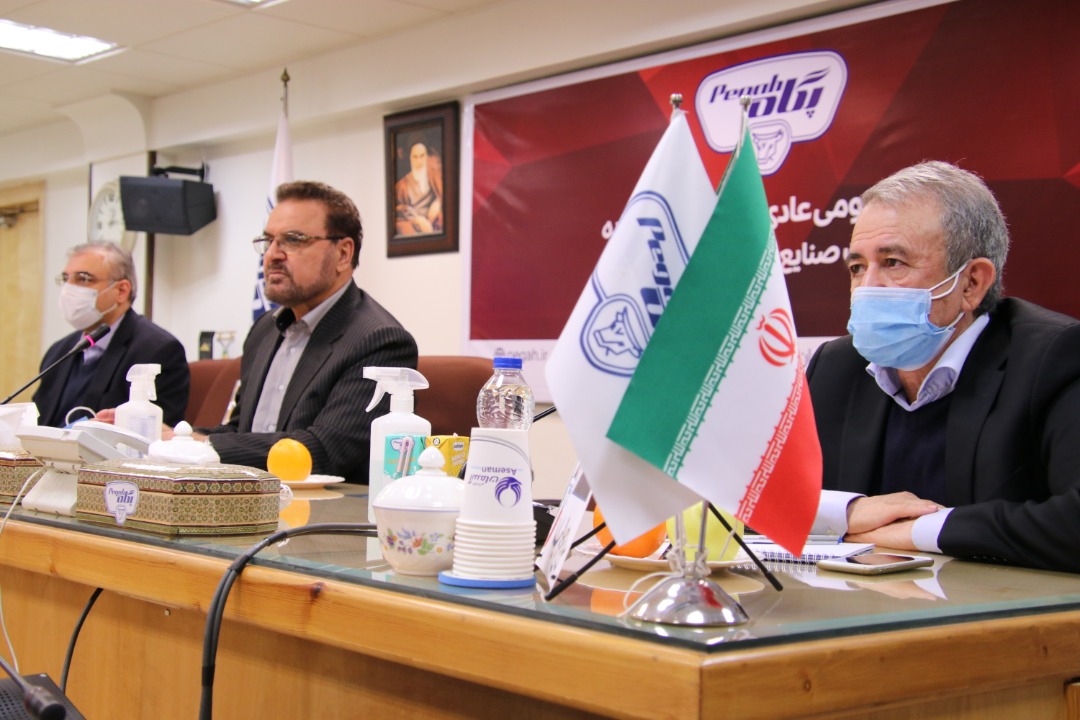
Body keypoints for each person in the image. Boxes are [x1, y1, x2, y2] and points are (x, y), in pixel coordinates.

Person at [806, 161, 1080, 573]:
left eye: (893, 262)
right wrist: (848, 513)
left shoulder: (1055, 358)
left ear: (972, 283)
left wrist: (919, 531)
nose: (867, 288)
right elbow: (753, 502)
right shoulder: (836, 367)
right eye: (857, 268)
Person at [180, 180, 415, 484]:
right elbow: (241, 432)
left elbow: (326, 449)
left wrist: (206, 446)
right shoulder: (265, 330)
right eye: (268, 241)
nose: (272, 255)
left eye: (292, 240)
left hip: (322, 509)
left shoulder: (379, 340)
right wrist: (177, 441)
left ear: (343, 254)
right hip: (249, 501)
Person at [34, 241, 189, 428]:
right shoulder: (59, 351)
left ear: (121, 290)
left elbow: (157, 432)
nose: (69, 288)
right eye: (66, 278)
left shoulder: (158, 350)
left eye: (83, 279)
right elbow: (37, 422)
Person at [394, 140, 443, 236]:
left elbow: (444, 195)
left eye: (422, 156)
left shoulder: (435, 175)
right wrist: (418, 220)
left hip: (434, 220)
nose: (419, 161)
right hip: (414, 224)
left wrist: (438, 202)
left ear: (426, 157)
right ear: (410, 158)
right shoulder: (401, 185)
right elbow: (399, 209)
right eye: (415, 157)